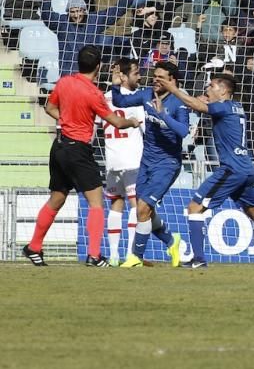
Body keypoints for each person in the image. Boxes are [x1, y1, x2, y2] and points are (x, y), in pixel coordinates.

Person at [23, 46, 141, 267]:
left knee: (57, 198)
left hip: (59, 147)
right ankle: (94, 255)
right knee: (96, 203)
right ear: (99, 67)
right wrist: (132, 122)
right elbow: (116, 121)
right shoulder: (94, 94)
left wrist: (67, 119)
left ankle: (34, 247)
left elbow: (49, 108)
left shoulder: (65, 82)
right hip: (78, 149)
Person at [160, 73, 254, 267]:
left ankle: (198, 259)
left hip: (232, 169)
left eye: (211, 86)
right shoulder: (235, 106)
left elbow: (199, 106)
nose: (207, 89)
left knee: (194, 208)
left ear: (223, 90)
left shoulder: (222, 107)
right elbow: (200, 103)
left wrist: (173, 90)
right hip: (246, 168)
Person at [111, 60, 190, 269]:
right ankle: (172, 242)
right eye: (154, 76)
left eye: (161, 77)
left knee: (143, 208)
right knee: (144, 212)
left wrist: (162, 114)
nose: (155, 79)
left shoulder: (178, 102)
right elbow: (119, 101)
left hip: (167, 163)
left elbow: (183, 131)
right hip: (146, 161)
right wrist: (115, 83)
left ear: (172, 80)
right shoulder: (147, 94)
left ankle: (136, 257)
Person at [102, 58, 145, 265]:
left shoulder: (103, 98)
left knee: (115, 204)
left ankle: (113, 256)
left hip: (112, 159)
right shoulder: (135, 99)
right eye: (136, 73)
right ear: (124, 76)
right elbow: (145, 129)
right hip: (133, 160)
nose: (140, 77)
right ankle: (130, 254)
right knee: (135, 205)